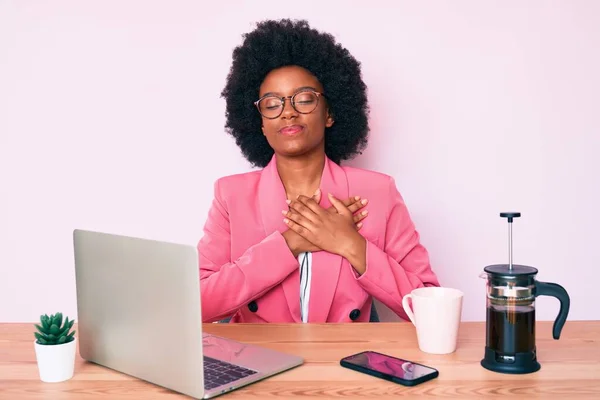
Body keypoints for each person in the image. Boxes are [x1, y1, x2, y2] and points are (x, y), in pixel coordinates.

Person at [198, 19, 440, 324]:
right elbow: (198, 303)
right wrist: (290, 243)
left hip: (344, 363)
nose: (288, 111)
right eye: (272, 104)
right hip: (259, 364)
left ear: (330, 113)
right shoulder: (231, 195)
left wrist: (349, 244)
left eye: (304, 99)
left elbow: (432, 310)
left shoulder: (377, 192)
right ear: (260, 122)